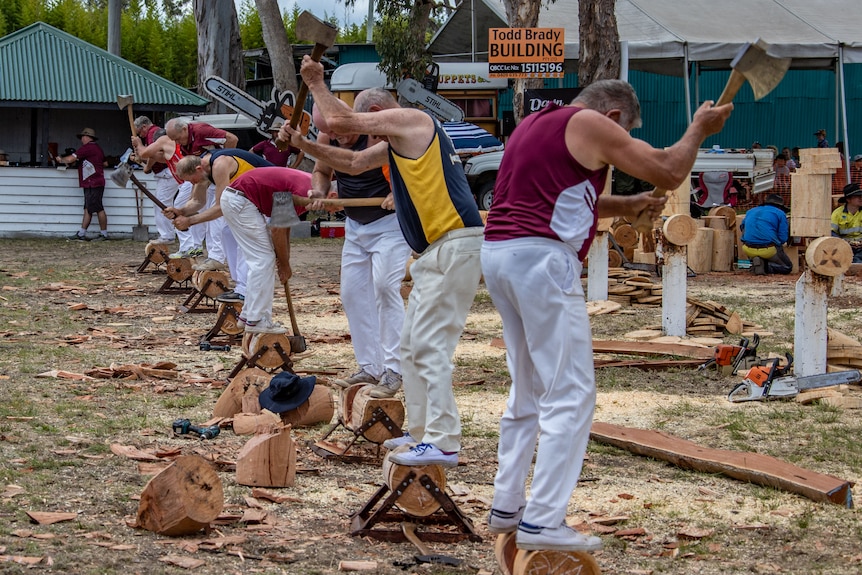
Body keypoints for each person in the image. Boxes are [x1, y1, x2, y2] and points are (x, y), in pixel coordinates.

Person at [480, 79, 731, 552]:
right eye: (627, 132)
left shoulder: (535, 123)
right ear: (614, 117)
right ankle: (544, 520)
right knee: (571, 392)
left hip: (501, 254)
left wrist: (629, 204)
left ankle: (508, 503)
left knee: (528, 387)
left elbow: (560, 194)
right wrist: (699, 128)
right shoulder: (593, 123)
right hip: (541, 259)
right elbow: (669, 170)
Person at [280, 56, 485, 469]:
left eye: (364, 121)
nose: (362, 130)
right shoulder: (397, 145)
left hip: (455, 242)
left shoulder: (414, 122)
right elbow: (352, 163)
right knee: (411, 347)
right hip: (433, 251)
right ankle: (424, 433)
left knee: (430, 347)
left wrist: (317, 83)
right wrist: (304, 147)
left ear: (377, 115)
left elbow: (338, 124)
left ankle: (444, 441)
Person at [298, 102, 411, 398]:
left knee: (385, 287)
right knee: (352, 294)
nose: (337, 137)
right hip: (355, 226)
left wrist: (397, 192)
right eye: (329, 133)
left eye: (341, 130)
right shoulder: (327, 138)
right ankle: (370, 366)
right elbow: (322, 170)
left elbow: (411, 167)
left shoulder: (377, 135)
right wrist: (319, 191)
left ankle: (395, 369)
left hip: (389, 224)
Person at [170, 149, 275, 301]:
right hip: (251, 194)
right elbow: (198, 201)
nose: (192, 184)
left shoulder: (219, 165)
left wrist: (190, 221)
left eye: (192, 180)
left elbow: (221, 208)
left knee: (242, 238)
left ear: (198, 169)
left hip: (268, 191)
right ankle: (240, 285)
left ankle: (245, 290)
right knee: (227, 232)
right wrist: (180, 211)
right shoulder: (203, 168)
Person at [218, 166, 311, 333]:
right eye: (337, 208)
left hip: (240, 199)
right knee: (262, 260)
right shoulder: (304, 192)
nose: (333, 212)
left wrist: (285, 261)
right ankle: (257, 319)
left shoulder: (307, 188)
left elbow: (284, 226)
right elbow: (277, 229)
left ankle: (249, 316)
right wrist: (284, 264)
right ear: (332, 196)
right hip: (241, 201)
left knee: (263, 259)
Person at [165, 117, 238, 271]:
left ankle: (217, 257)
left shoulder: (201, 131)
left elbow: (232, 138)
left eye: (178, 138)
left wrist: (221, 162)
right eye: (174, 140)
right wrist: (182, 210)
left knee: (216, 216)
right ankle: (211, 254)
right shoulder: (185, 144)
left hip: (220, 175)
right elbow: (198, 200)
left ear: (184, 129)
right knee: (207, 214)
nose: (177, 143)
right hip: (207, 176)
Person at [133, 131, 204, 259]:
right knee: (195, 211)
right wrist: (141, 160)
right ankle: (196, 247)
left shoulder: (165, 140)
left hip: (189, 182)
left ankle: (187, 247)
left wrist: (138, 144)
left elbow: (146, 153)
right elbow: (153, 157)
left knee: (178, 211)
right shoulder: (170, 151)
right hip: (189, 182)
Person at [133, 116, 178, 245]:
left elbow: (155, 154)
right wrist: (141, 159)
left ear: (144, 127)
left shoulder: (153, 133)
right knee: (162, 202)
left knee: (162, 202)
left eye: (140, 132)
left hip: (167, 173)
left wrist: (140, 146)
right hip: (165, 172)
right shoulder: (152, 135)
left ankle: (167, 235)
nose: (140, 135)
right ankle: (167, 234)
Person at [57, 128, 108, 241]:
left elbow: (70, 159)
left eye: (82, 137)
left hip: (92, 183)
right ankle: (82, 233)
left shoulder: (88, 148)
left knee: (97, 208)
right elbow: (105, 163)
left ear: (86, 137)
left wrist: (60, 159)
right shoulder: (97, 148)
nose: (81, 140)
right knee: (88, 208)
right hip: (95, 182)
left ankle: (103, 234)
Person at [740, 194, 793, 275]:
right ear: (780, 206)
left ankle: (757, 261)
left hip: (747, 248)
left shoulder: (751, 211)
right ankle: (766, 266)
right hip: (769, 249)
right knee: (787, 267)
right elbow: (783, 238)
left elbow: (742, 227)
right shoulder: (780, 213)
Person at [831, 183, 862, 263]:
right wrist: (843, 243)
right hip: (843, 247)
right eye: (857, 196)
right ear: (848, 199)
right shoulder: (837, 214)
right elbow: (831, 232)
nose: (860, 198)